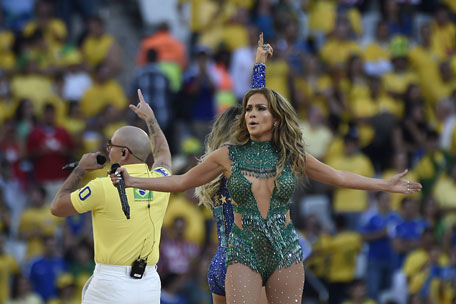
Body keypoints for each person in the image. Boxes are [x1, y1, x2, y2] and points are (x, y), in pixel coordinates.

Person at [111, 61, 422, 304]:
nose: (252, 115)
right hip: (241, 254)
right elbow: (178, 181)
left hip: (280, 252)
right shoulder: (227, 157)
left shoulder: (286, 154)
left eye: (259, 111)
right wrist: (133, 179)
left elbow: (338, 176)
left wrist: (384, 184)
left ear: (275, 117)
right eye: (247, 112)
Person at [50, 89, 172, 304]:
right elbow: (163, 154)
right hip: (150, 284)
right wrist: (150, 119)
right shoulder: (160, 181)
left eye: (111, 145)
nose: (107, 150)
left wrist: (79, 170)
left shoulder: (103, 186)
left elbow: (57, 207)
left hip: (111, 282)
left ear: (124, 153)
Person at [194, 33, 271, 304]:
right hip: (246, 262)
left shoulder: (211, 171)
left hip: (219, 262)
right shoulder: (238, 163)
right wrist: (259, 67)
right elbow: (258, 105)